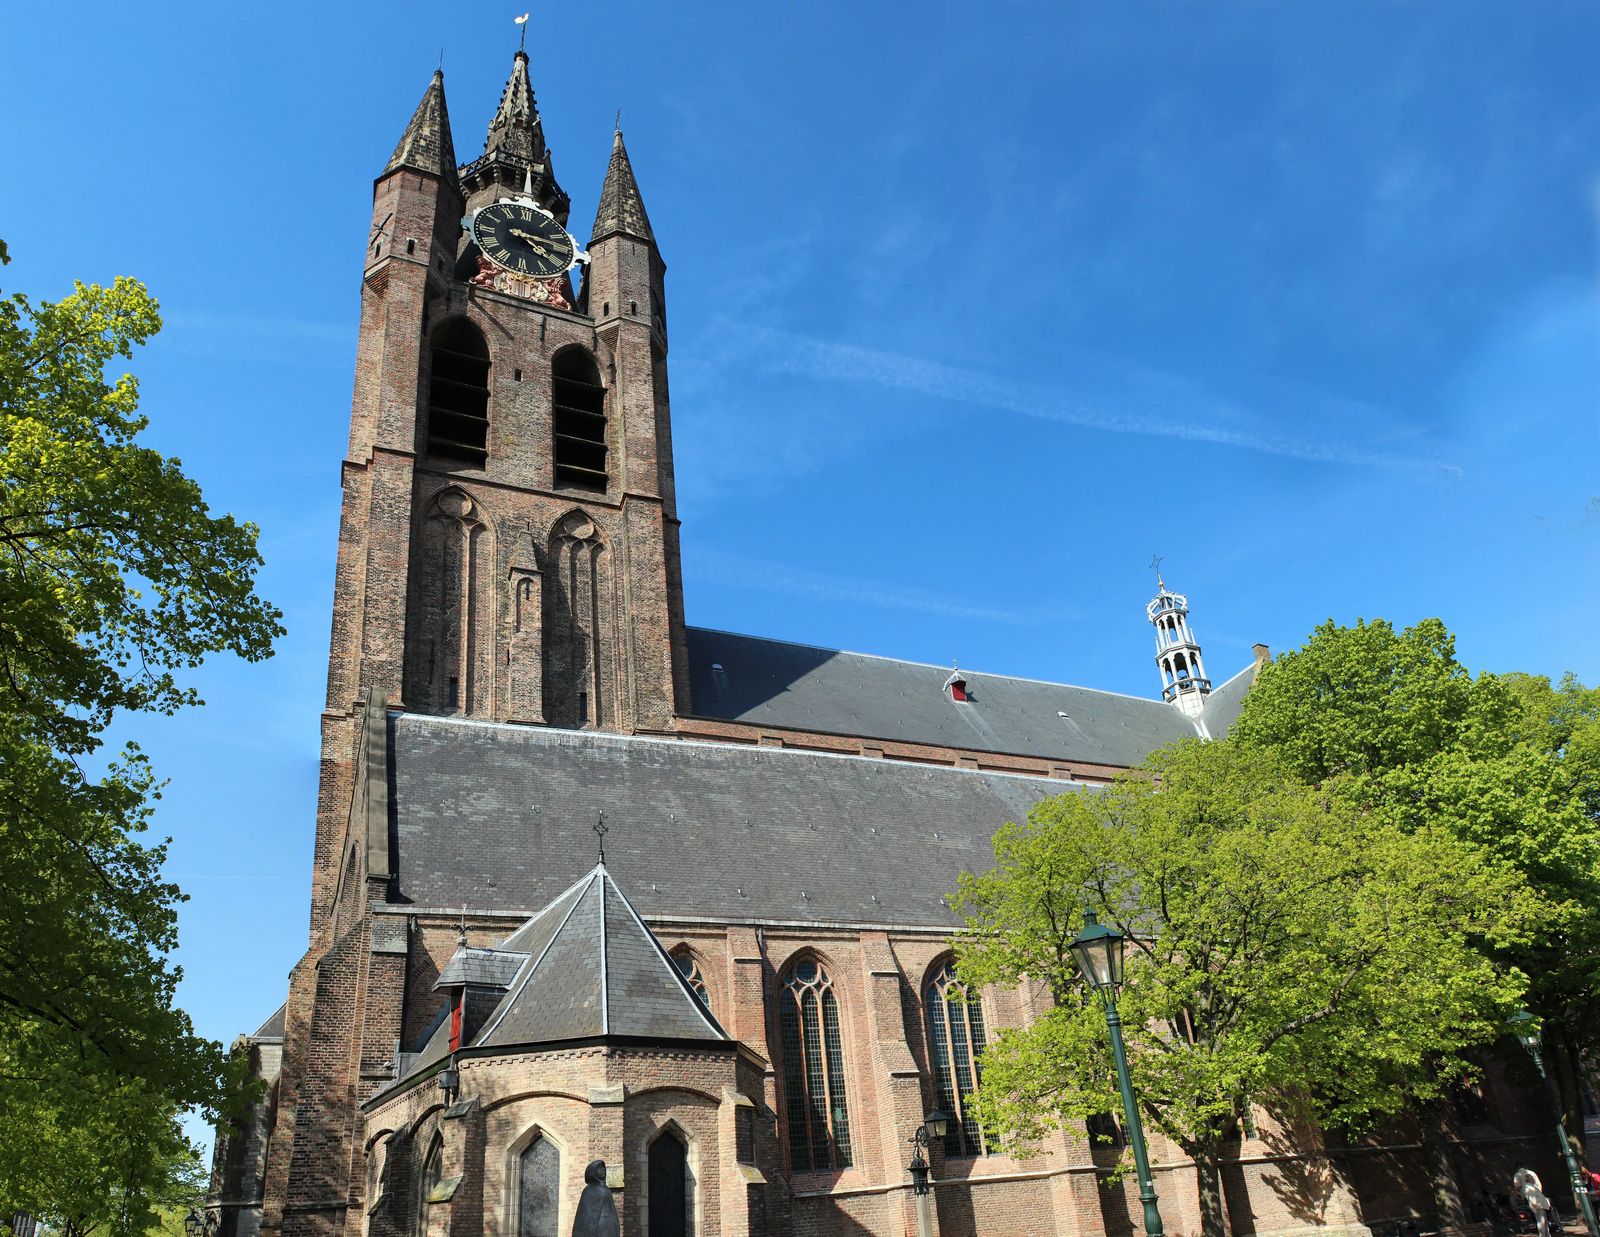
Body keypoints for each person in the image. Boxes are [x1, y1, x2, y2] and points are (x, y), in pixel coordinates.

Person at [571, 1159, 619, 1237]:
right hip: (596, 1231)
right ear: (593, 1171)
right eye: (600, 1168)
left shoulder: (607, 1190)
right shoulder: (589, 1190)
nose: (603, 1170)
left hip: (608, 1229)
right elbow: (586, 1216)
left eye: (603, 1168)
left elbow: (612, 1212)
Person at [1514, 1167, 1551, 1237]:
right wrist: (1536, 1205)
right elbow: (1532, 1199)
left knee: (1543, 1222)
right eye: (1532, 1178)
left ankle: (1546, 1235)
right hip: (1539, 1205)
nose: (1534, 1179)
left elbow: (1518, 1188)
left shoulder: (1530, 1187)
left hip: (1540, 1205)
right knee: (1542, 1222)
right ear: (1529, 1179)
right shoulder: (1528, 1187)